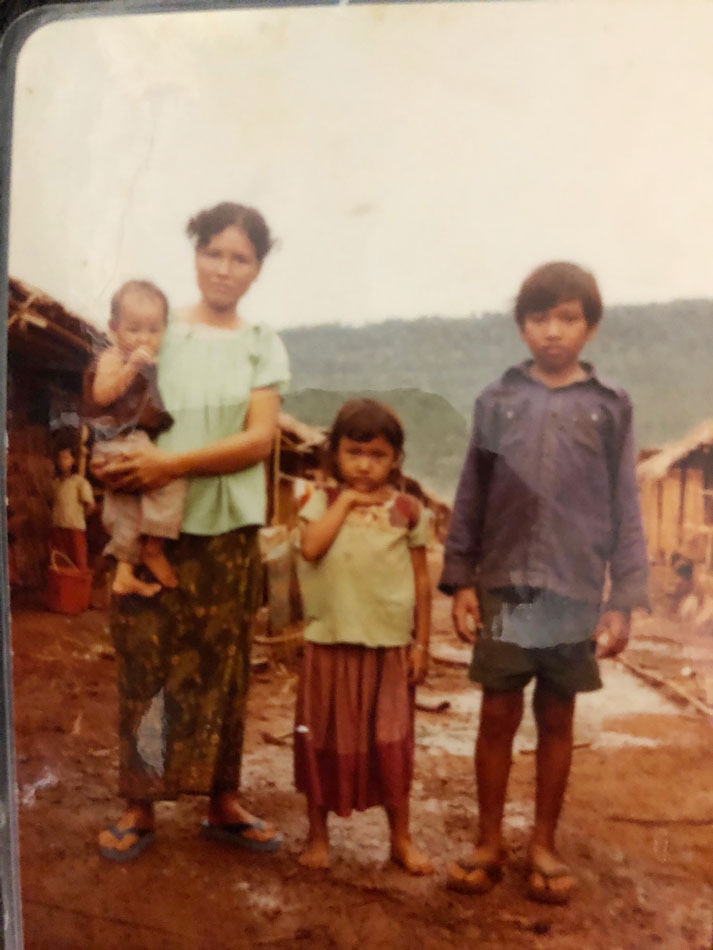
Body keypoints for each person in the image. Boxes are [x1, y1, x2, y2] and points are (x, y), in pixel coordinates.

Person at [440, 262, 649, 903]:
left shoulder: (610, 407)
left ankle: (544, 845)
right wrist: (463, 580)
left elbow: (625, 504)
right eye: (539, 318)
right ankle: (488, 841)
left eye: (567, 318)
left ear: (589, 326)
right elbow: (472, 492)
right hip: (508, 583)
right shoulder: (497, 401)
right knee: (497, 713)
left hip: (573, 589)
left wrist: (623, 600)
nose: (552, 331)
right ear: (522, 325)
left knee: (557, 718)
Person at [94, 202, 289, 861]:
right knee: (145, 664)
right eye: (213, 253)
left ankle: (222, 800)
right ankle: (138, 804)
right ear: (194, 254)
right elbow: (111, 399)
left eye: (240, 258)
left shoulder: (263, 341)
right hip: (154, 529)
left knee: (223, 667)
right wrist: (121, 461)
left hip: (228, 530)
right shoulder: (159, 329)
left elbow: (259, 439)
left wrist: (169, 462)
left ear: (258, 268)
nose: (224, 269)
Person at [294, 398, 433, 875]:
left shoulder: (408, 511)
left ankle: (400, 838)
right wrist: (348, 500)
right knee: (323, 739)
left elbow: (420, 581)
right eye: (354, 453)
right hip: (330, 640)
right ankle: (317, 836)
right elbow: (311, 548)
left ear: (395, 459)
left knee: (391, 742)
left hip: (388, 645)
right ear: (336, 454)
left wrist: (421, 643)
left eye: (377, 456)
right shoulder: (320, 501)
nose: (365, 466)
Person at [85, 279, 186, 598]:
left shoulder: (157, 364)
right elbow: (101, 394)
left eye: (153, 330)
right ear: (114, 328)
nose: (144, 338)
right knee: (172, 477)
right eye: (134, 329)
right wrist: (132, 367)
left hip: (126, 444)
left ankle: (125, 572)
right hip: (117, 444)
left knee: (128, 506)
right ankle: (155, 545)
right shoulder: (113, 358)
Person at [50, 447, 95, 571]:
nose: (62, 461)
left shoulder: (79, 482)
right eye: (59, 458)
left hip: (74, 529)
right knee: (59, 563)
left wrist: (79, 518)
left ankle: (78, 589)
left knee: (78, 563)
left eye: (66, 458)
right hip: (57, 528)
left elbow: (90, 505)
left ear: (72, 460)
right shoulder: (55, 483)